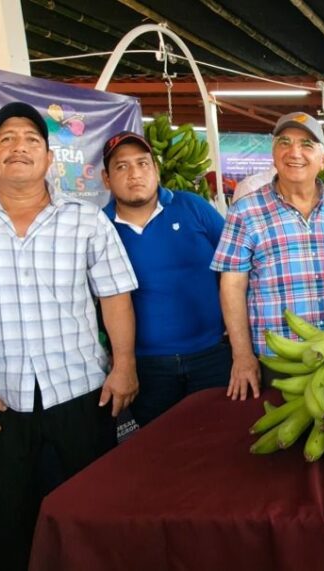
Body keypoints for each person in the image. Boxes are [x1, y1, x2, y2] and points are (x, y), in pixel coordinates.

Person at [0, 102, 138, 571]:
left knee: (91, 511)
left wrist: (123, 366)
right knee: (8, 524)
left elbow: (115, 297)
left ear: (47, 158)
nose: (18, 147)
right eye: (6, 139)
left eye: (31, 140)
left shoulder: (85, 220)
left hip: (81, 392)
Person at [212, 111, 324, 399]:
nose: (294, 152)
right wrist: (241, 355)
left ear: (323, 160)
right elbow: (232, 286)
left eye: (307, 145)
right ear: (274, 154)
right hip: (277, 359)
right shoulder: (245, 211)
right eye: (284, 142)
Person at [100, 131, 231, 426]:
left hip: (212, 355)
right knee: (160, 452)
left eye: (143, 163)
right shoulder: (100, 228)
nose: (135, 173)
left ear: (156, 170)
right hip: (146, 367)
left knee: (220, 442)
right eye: (122, 166)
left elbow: (235, 264)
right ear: (106, 179)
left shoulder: (192, 207)